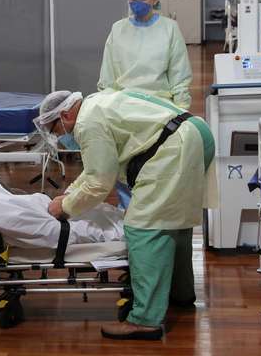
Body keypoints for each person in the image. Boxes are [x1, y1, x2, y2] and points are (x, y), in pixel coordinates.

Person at [37, 89, 216, 341]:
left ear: (65, 115)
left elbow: (100, 183)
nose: (60, 138)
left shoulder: (87, 124)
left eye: (56, 131)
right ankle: (180, 294)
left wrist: (65, 208)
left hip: (175, 147)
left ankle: (144, 321)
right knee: (174, 221)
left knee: (143, 227)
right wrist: (68, 194)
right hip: (196, 132)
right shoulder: (97, 103)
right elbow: (94, 171)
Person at [98, 0, 193, 110]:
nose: (137, 2)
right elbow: (107, 74)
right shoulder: (118, 29)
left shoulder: (169, 28)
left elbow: (179, 73)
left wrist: (181, 108)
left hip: (159, 103)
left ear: (154, 0)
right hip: (123, 102)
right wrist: (106, 102)